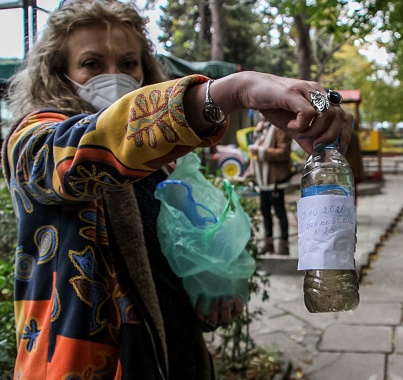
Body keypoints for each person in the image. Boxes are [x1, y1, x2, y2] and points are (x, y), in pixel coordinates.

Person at [0, 1, 352, 378]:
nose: (114, 75)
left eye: (129, 63)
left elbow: (164, 273)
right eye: (91, 64)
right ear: (58, 72)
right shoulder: (32, 141)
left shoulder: (164, 161)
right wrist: (233, 92)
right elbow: (79, 152)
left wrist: (211, 290)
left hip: (177, 360)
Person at [249, 113, 293, 256]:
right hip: (262, 179)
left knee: (279, 212)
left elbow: (284, 152)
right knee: (264, 211)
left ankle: (283, 245)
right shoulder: (261, 128)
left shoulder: (280, 127)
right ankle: (268, 243)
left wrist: (261, 152)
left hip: (275, 179)